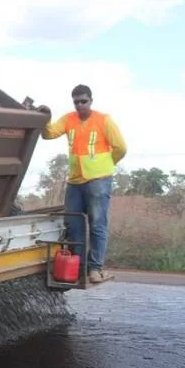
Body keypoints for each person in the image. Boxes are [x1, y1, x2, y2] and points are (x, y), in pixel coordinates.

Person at [37, 84, 127, 284]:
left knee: (97, 224)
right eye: (76, 102)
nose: (80, 105)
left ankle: (95, 268)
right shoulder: (69, 119)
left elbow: (121, 147)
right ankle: (77, 268)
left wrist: (106, 165)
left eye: (83, 101)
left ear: (91, 101)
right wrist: (46, 118)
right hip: (75, 180)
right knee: (73, 224)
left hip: (98, 180)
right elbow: (48, 134)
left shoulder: (104, 120)